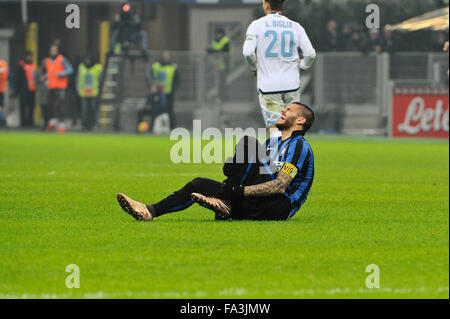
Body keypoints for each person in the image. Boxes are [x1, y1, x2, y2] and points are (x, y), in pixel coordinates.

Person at [117, 102, 315, 222]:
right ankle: (150, 210)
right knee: (198, 183)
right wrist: (234, 168)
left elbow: (280, 186)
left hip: (278, 207)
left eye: (289, 110)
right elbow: (255, 172)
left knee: (248, 143)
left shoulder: (299, 146)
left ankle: (225, 201)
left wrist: (238, 191)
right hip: (255, 205)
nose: (283, 110)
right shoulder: (272, 142)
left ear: (300, 121)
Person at [243, 0, 316, 135]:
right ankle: (291, 155)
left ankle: (277, 156)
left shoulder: (257, 25)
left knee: (275, 127)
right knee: (291, 127)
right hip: (292, 85)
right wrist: (302, 65)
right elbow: (310, 53)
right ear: (282, 5)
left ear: (266, 5)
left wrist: (254, 68)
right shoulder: (295, 26)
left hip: (269, 86)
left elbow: (247, 52)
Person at [42, 44, 73, 133]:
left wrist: (61, 73)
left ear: (57, 51)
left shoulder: (62, 59)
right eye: (51, 50)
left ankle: (62, 124)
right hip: (51, 85)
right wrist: (45, 77)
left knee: (60, 106)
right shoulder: (48, 61)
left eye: (54, 50)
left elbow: (70, 69)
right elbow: (50, 72)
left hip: (60, 86)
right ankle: (53, 121)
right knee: (50, 104)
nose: (53, 52)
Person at [151, 50, 179, 130]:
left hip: (168, 92)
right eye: (164, 56)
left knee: (170, 111)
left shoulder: (173, 67)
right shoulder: (156, 66)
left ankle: (172, 128)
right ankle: (152, 128)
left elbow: (177, 80)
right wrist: (152, 87)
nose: (165, 57)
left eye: (167, 56)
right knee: (155, 110)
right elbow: (150, 77)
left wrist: (173, 89)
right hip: (157, 93)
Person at [77, 56, 102, 131]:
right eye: (86, 60)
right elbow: (77, 79)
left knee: (93, 110)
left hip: (94, 92)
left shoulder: (97, 68)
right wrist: (77, 89)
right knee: (84, 111)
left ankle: (93, 125)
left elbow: (101, 79)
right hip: (83, 93)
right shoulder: (81, 67)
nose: (87, 62)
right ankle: (84, 125)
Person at [14, 51, 37, 128]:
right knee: (23, 107)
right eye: (28, 56)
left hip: (32, 90)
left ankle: (30, 121)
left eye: (31, 56)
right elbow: (17, 79)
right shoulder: (21, 65)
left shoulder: (33, 65)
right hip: (23, 90)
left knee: (32, 107)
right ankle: (23, 122)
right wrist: (16, 91)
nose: (30, 58)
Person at [207, 28, 231, 102]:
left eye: (219, 33)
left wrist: (212, 51)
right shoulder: (215, 42)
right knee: (217, 83)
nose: (217, 35)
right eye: (216, 34)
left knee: (222, 83)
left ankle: (224, 98)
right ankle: (218, 98)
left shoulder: (225, 41)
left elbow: (224, 51)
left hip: (224, 65)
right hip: (216, 66)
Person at [0, 58, 8, 127]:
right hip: (2, 88)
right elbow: (9, 76)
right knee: (1, 105)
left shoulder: (3, 64)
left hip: (1, 89)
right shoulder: (4, 64)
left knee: (1, 105)